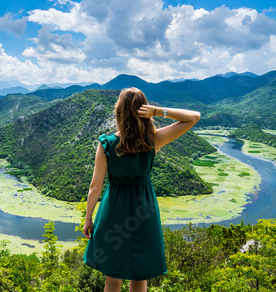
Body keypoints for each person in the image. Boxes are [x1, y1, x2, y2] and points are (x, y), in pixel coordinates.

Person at [83, 87, 201, 292]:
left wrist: (88, 218)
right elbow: (193, 117)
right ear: (142, 111)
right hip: (144, 212)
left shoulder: (106, 145)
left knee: (112, 277)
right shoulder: (152, 140)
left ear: (119, 112)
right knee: (140, 275)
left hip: (114, 211)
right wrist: (157, 111)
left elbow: (95, 187)